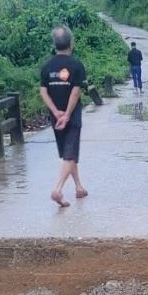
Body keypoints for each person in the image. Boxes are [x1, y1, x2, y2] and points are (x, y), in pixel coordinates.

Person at [39, 25, 88, 207]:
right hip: (72, 117)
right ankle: (57, 189)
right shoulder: (76, 65)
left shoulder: (46, 66)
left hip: (55, 117)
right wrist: (67, 115)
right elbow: (75, 93)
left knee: (69, 154)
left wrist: (56, 112)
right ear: (71, 43)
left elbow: (43, 92)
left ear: (54, 44)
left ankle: (79, 188)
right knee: (70, 154)